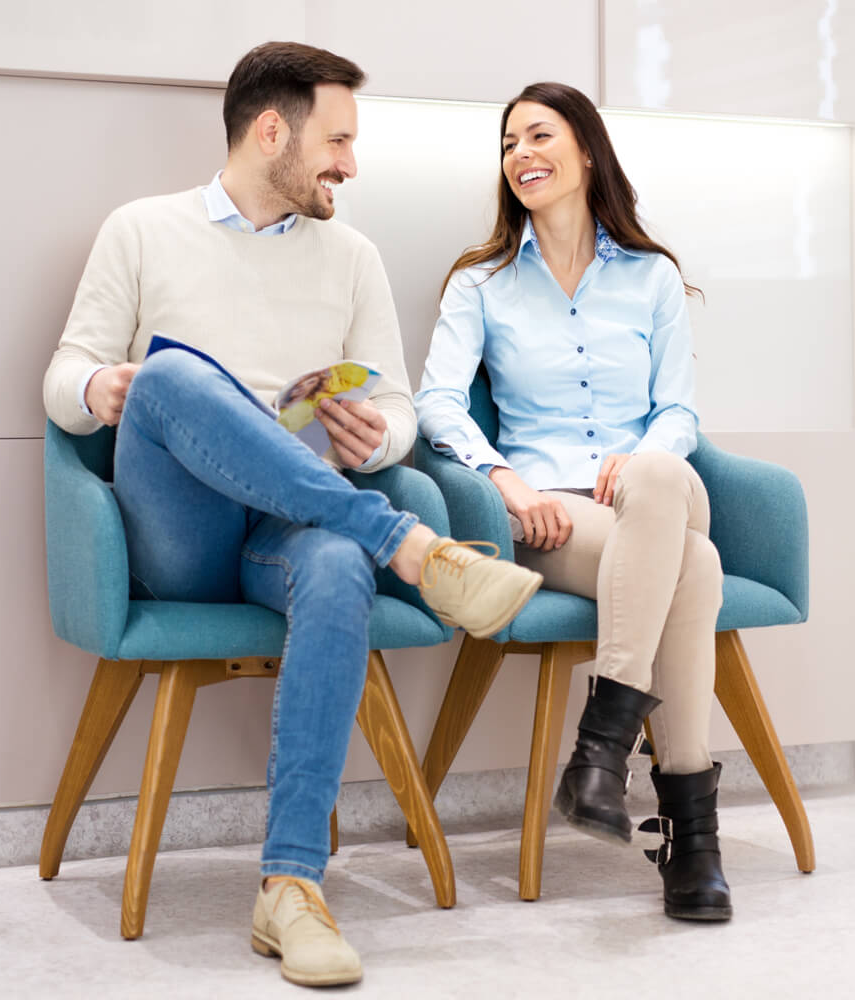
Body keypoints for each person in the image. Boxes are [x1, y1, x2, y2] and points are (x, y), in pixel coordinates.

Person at [43, 42, 542, 988]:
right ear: (272, 131)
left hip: (296, 525)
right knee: (176, 374)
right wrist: (105, 384)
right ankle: (416, 548)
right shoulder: (142, 230)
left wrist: (375, 440)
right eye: (338, 139)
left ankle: (291, 888)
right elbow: (63, 380)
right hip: (183, 533)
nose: (351, 165)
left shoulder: (351, 255)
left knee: (338, 563)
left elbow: (399, 409)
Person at [415, 81, 731, 922]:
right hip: (550, 516)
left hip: (651, 490)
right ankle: (692, 842)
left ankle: (602, 747)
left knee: (660, 478)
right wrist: (504, 481)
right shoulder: (480, 283)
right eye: (509, 142)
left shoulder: (653, 277)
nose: (521, 153)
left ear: (586, 150)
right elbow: (438, 403)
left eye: (539, 135)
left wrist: (641, 461)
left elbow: (680, 412)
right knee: (695, 569)